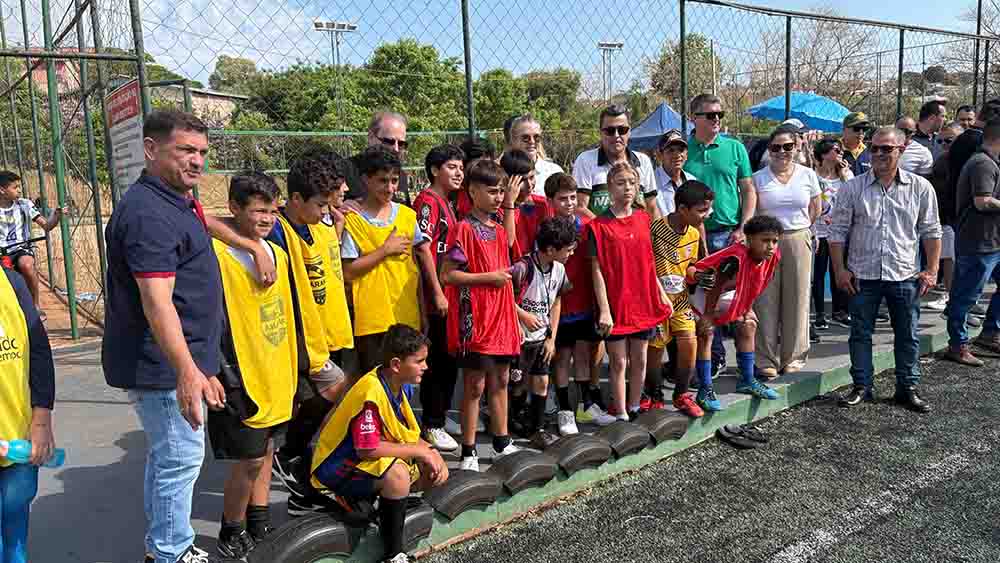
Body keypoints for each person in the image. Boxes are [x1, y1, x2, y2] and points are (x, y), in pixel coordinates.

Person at [103, 110, 230, 563]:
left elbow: (203, 225)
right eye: (185, 151)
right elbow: (158, 304)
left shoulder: (175, 198)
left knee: (167, 458)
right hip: (159, 366)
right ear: (151, 150)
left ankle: (164, 547)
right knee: (179, 459)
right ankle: (170, 552)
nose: (197, 161)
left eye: (202, 153)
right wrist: (187, 372)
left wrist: (251, 243)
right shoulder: (148, 215)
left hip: (178, 360)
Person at [250, 149, 354, 515]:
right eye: (320, 205)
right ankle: (291, 463)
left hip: (320, 335)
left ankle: (300, 478)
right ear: (294, 199)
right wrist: (253, 246)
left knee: (327, 402)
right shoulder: (275, 230)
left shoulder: (316, 226)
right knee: (331, 392)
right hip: (289, 342)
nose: (326, 212)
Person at [207, 172, 297, 559]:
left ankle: (258, 521)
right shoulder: (216, 254)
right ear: (233, 210)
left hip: (276, 369)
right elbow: (192, 213)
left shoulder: (277, 253)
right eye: (258, 210)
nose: (267, 218)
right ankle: (231, 527)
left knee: (268, 451)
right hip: (240, 371)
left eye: (272, 211)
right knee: (249, 459)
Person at [310, 325, 448, 563]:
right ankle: (394, 554)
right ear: (396, 364)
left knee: (432, 470)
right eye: (419, 361)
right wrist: (419, 450)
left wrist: (431, 451)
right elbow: (368, 447)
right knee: (398, 476)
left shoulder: (397, 383)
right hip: (336, 470)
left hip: (360, 462)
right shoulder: (371, 391)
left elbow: (403, 432)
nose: (426, 366)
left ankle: (378, 503)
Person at [829, 127, 942, 413]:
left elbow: (931, 231)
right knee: (859, 333)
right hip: (862, 276)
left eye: (886, 149)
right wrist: (840, 270)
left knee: (907, 334)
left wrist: (931, 269)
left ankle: (907, 388)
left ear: (901, 151)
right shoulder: (852, 187)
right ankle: (861, 386)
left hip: (904, 275)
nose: (878, 154)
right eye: (875, 148)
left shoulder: (920, 188)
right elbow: (837, 233)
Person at [441, 158, 524, 471]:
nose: (498, 197)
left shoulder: (499, 228)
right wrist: (486, 278)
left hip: (501, 318)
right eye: (492, 191)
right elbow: (448, 275)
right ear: (472, 192)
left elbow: (511, 246)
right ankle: (469, 450)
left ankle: (502, 442)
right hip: (475, 319)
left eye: (501, 191)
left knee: (501, 380)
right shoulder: (463, 229)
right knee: (474, 386)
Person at [590, 162, 672, 420]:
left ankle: (635, 406)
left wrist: (660, 292)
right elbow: (597, 270)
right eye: (620, 183)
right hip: (616, 303)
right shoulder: (598, 226)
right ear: (610, 187)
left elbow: (648, 262)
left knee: (641, 359)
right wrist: (604, 309)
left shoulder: (643, 218)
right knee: (618, 362)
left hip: (643, 300)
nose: (627, 188)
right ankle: (621, 412)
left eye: (631, 183)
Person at [683, 93, 756, 380]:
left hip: (729, 235)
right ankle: (713, 359)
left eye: (719, 115)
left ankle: (747, 369)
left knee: (736, 301)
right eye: (710, 115)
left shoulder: (735, 148)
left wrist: (743, 228)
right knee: (702, 303)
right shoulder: (682, 150)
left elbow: (748, 190)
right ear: (694, 118)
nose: (716, 120)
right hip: (693, 237)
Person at [342, 145, 428, 373]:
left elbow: (415, 268)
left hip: (406, 317)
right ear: (366, 180)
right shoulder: (353, 220)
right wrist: (384, 250)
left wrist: (422, 310)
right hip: (372, 321)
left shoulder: (407, 216)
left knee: (406, 384)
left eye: (394, 180)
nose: (389, 187)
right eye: (382, 181)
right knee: (376, 382)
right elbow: (348, 272)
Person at [544, 173, 616, 434]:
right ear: (550, 200)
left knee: (584, 354)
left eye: (573, 197)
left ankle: (586, 406)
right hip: (558, 305)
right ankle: (565, 410)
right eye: (563, 198)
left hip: (585, 302)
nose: (569, 203)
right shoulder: (548, 229)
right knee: (562, 357)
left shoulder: (587, 225)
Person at [751, 126, 822, 377]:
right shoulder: (758, 178)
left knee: (798, 299)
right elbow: (753, 210)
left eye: (787, 146)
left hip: (797, 237)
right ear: (769, 151)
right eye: (776, 148)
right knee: (764, 300)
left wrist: (800, 231)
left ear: (797, 147)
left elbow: (816, 208)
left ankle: (794, 356)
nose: (782, 152)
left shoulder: (807, 175)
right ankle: (765, 359)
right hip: (766, 241)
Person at [690, 215, 784, 405]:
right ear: (749, 240)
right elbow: (716, 285)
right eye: (765, 240)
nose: (771, 246)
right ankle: (705, 389)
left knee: (748, 323)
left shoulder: (772, 257)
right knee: (706, 332)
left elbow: (757, 283)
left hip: (726, 292)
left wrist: (747, 308)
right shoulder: (735, 258)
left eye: (774, 241)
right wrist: (707, 316)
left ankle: (747, 380)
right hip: (701, 292)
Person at [0, 266, 55, 563]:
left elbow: (39, 352)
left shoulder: (11, 283)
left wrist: (41, 421)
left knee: (15, 541)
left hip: (18, 442)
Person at [412, 144, 464, 452]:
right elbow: (422, 249)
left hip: (449, 293)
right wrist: (435, 292)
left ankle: (440, 415)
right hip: (436, 297)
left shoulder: (448, 202)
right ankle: (431, 423)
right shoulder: (428, 202)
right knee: (437, 361)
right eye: (452, 167)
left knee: (449, 359)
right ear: (434, 170)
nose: (458, 173)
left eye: (460, 167)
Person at [647, 180, 713, 417]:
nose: (707, 215)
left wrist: (698, 276)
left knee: (689, 342)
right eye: (701, 210)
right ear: (683, 209)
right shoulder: (655, 229)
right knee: (655, 349)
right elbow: (646, 266)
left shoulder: (694, 234)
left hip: (682, 301)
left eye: (708, 209)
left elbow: (690, 267)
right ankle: (652, 394)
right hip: (656, 302)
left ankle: (681, 395)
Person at [509, 217, 575, 448]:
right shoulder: (522, 268)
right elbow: (504, 297)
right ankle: (511, 416)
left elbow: (557, 301)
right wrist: (522, 316)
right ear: (550, 249)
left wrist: (552, 338)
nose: (571, 253)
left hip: (541, 339)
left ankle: (537, 428)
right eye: (568, 249)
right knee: (517, 384)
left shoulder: (560, 269)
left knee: (542, 382)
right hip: (519, 339)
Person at [944, 119, 1000, 366]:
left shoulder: (991, 162)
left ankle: (990, 332)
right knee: (966, 296)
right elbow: (982, 201)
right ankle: (957, 345)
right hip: (978, 241)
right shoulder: (982, 164)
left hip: (993, 241)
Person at [573, 104, 658, 219]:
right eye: (610, 131)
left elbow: (652, 207)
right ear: (600, 133)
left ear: (629, 132)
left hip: (638, 234)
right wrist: (610, 231)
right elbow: (580, 207)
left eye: (622, 130)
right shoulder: (585, 160)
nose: (616, 135)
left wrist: (662, 237)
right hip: (601, 235)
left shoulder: (643, 161)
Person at [0, 171, 64, 316]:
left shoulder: (24, 204)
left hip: (22, 248)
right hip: (3, 252)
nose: (19, 190)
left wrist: (56, 216)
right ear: (2, 190)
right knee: (6, 276)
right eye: (15, 187)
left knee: (27, 265)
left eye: (19, 187)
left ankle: (35, 305)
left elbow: (47, 225)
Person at [812, 138, 854, 330]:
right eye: (835, 150)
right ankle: (819, 313)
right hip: (819, 232)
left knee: (840, 270)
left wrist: (845, 176)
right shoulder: (813, 176)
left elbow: (855, 197)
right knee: (819, 273)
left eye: (840, 150)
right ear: (823, 154)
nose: (839, 153)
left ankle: (840, 311)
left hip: (840, 232)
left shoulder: (846, 175)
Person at [925, 122, 964, 313]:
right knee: (949, 258)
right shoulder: (941, 161)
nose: (944, 144)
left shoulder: (972, 160)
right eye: (940, 141)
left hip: (969, 220)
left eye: (949, 140)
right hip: (946, 218)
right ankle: (950, 296)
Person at [344, 111, 412, 203]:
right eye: (389, 141)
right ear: (371, 137)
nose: (396, 149)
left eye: (401, 143)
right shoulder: (345, 171)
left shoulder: (400, 175)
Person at [501, 149, 549, 256]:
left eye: (532, 177)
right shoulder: (498, 208)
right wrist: (509, 203)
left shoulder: (541, 204)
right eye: (522, 180)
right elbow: (507, 242)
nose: (530, 184)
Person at [504, 114, 564, 195]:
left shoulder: (554, 171)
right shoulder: (500, 171)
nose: (532, 141)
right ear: (513, 140)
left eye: (536, 137)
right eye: (525, 138)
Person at [653, 129, 697, 217]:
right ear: (660, 155)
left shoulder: (692, 180)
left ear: (686, 155)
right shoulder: (651, 182)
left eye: (681, 150)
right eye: (671, 150)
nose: (677, 155)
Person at [841, 112, 873, 177]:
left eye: (864, 129)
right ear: (844, 130)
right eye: (857, 128)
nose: (861, 132)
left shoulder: (871, 152)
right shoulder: (832, 150)